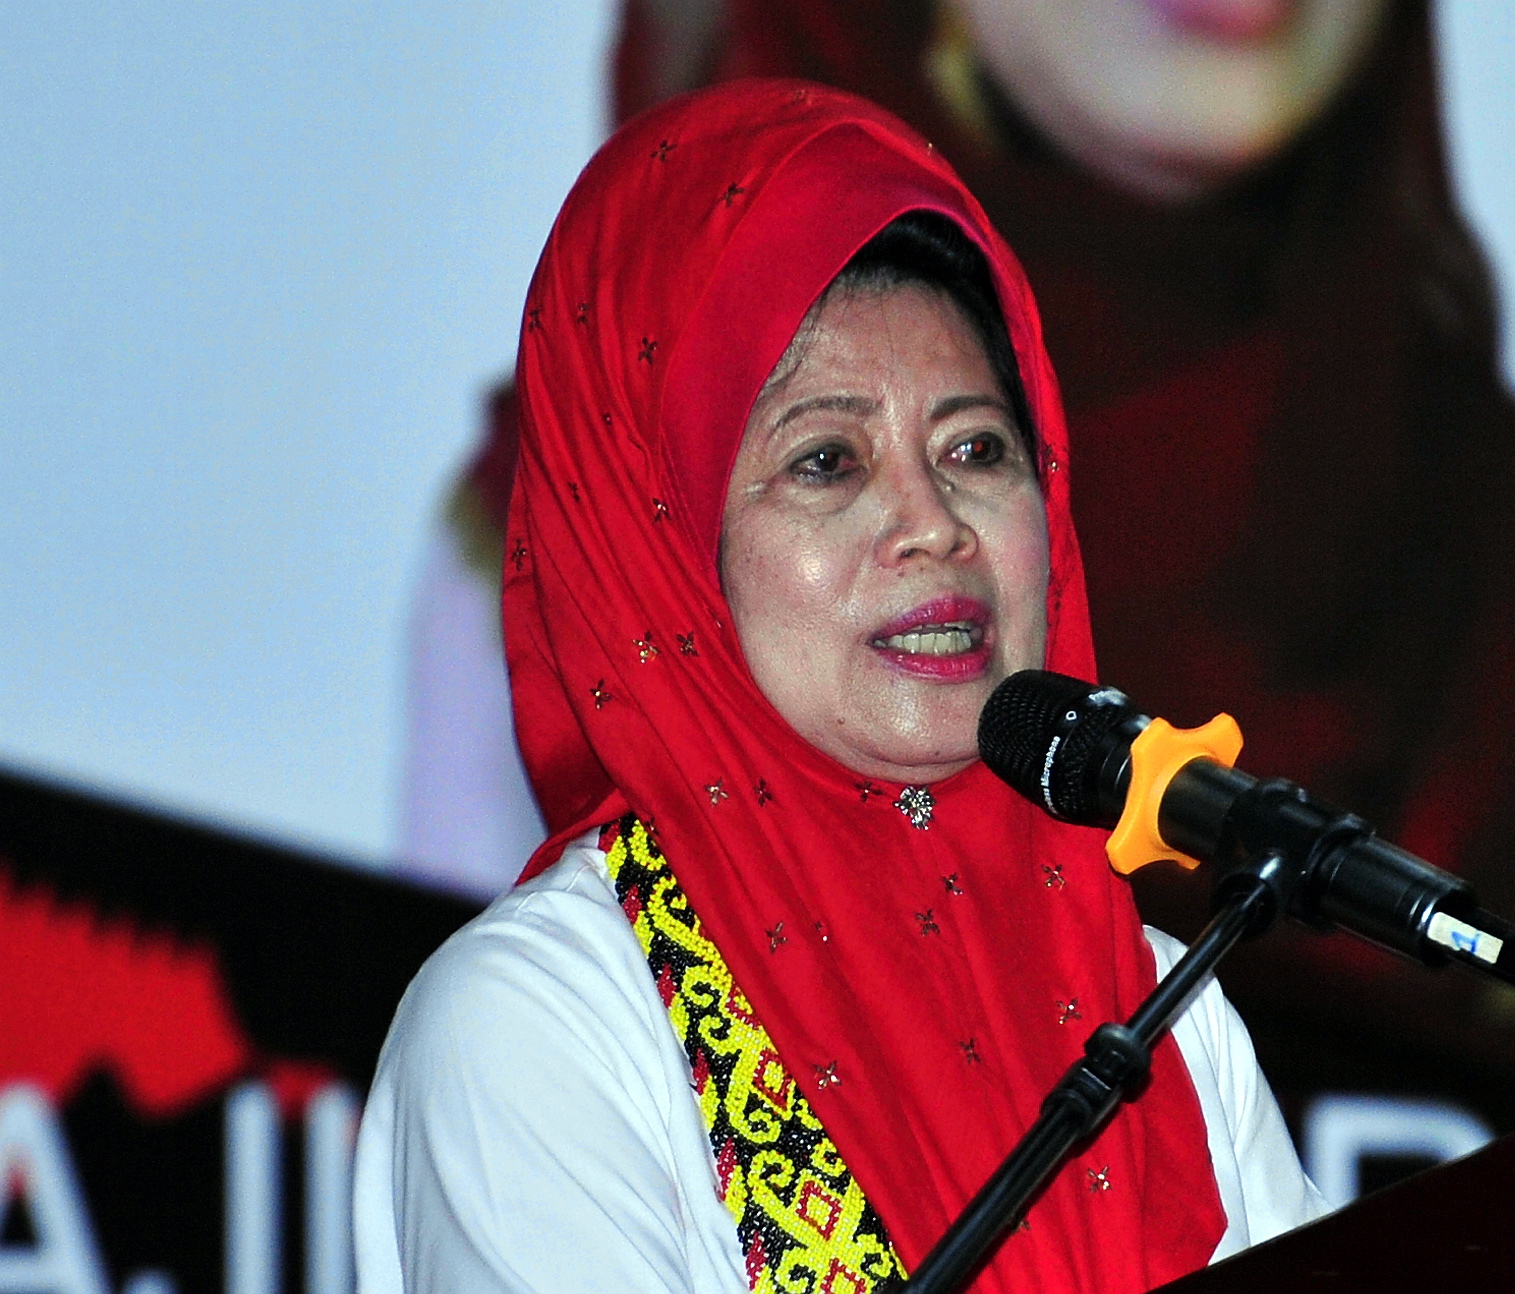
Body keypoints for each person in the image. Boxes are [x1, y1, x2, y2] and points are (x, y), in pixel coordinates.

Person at [355, 81, 1323, 1293]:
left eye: (975, 448)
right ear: (661, 548)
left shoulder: (1160, 1014)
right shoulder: (546, 1020)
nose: (933, 523)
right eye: (826, 461)